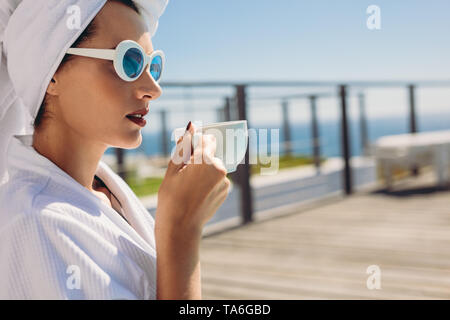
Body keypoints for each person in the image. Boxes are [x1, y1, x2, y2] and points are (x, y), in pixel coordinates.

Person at [0, 0, 230, 299]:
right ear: (51, 73)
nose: (154, 88)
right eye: (129, 62)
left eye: (153, 66)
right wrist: (180, 230)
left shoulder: (103, 189)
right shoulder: (34, 222)